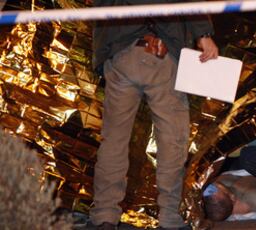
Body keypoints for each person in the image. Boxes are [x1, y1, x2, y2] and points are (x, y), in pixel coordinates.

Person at [89, 0, 218, 229]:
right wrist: (203, 35)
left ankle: (104, 216)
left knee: (114, 141)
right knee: (172, 140)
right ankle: (169, 218)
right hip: (162, 53)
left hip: (121, 52)